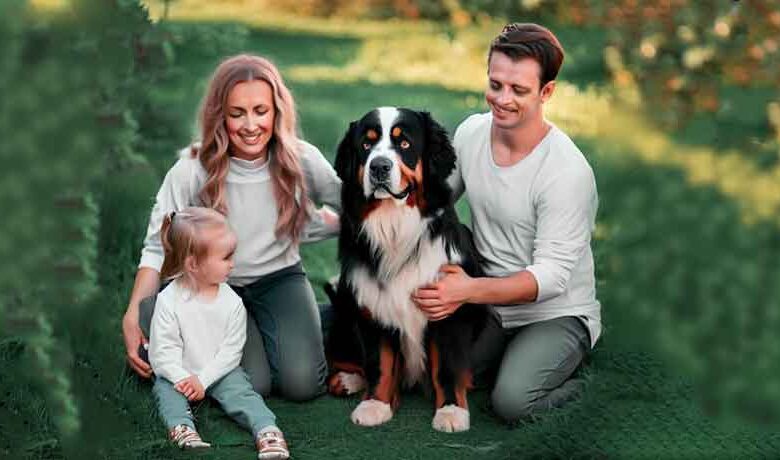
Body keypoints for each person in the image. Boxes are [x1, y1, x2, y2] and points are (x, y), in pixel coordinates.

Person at [122, 54, 341, 402]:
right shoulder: (191, 169)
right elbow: (155, 248)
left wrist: (313, 225)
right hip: (212, 287)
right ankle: (165, 321)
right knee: (255, 385)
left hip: (279, 279)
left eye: (261, 111)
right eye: (237, 113)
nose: (250, 125)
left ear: (277, 111)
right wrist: (133, 314)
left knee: (303, 386)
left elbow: (354, 209)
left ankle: (317, 319)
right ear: (219, 116)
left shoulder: (302, 159)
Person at [413, 23, 601, 423]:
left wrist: (466, 290)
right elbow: (434, 203)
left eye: (518, 90)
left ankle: (581, 379)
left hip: (555, 312)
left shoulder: (567, 172)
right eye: (496, 84)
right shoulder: (472, 133)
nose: (502, 99)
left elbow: (551, 277)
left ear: (546, 92)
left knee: (513, 403)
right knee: (431, 381)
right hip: (490, 306)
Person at [149, 208, 289, 459]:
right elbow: (162, 354)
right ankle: (182, 428)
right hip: (176, 372)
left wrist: (203, 380)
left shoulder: (232, 303)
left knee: (243, 393)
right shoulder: (168, 301)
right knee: (165, 391)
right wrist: (184, 379)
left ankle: (267, 431)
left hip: (219, 371)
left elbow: (231, 352)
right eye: (226, 257)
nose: (232, 263)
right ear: (193, 264)